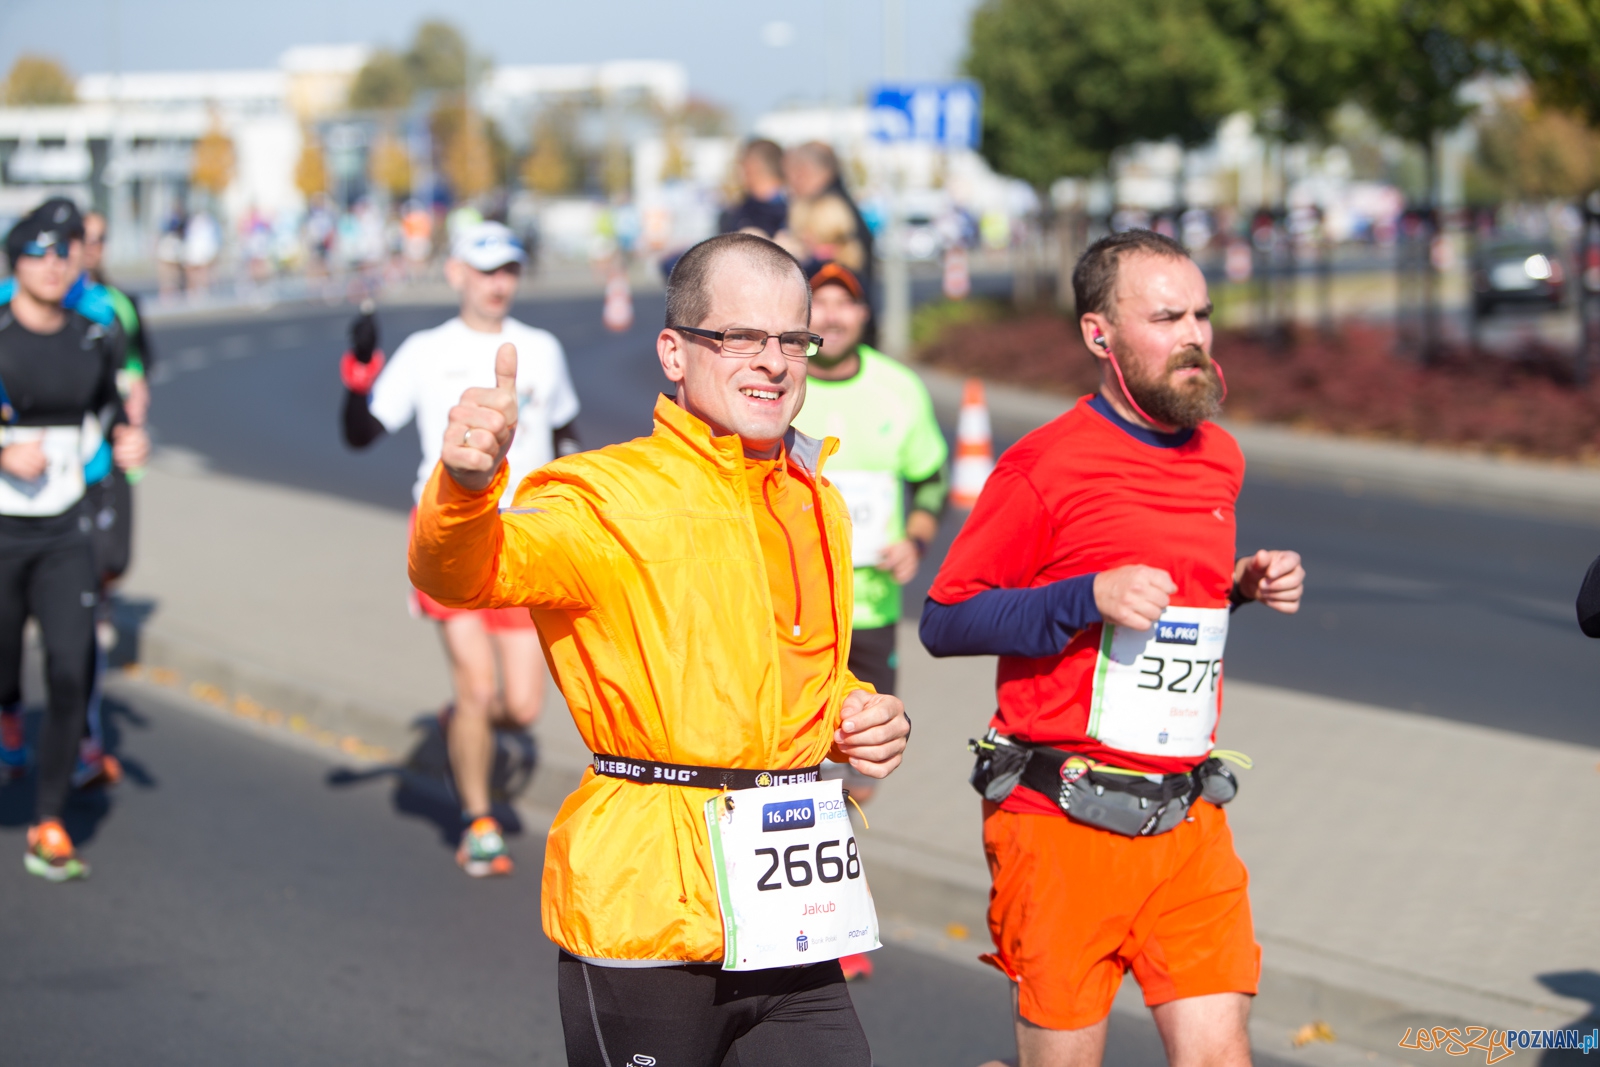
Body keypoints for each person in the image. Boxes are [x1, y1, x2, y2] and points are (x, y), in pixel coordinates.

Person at [410, 232, 911, 1066]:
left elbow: (792, 672)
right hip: (649, 908)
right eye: (741, 337)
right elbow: (464, 573)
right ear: (675, 352)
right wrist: (464, 488)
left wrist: (855, 712)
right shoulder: (603, 495)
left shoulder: (816, 501)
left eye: (792, 338)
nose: (774, 361)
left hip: (789, 909)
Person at [919, 229, 1306, 1067]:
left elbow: (1173, 617)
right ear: (1101, 335)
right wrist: (1082, 596)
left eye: (1202, 313)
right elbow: (947, 618)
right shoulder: (1043, 466)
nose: (1195, 334)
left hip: (1188, 817)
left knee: (1220, 1053)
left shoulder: (1220, 458)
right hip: (1061, 823)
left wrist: (1239, 586)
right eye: (1167, 317)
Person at [341, 221, 580, 878]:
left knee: (523, 706)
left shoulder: (543, 349)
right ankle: (478, 821)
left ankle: (458, 723)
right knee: (477, 685)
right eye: (484, 270)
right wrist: (359, 372)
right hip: (448, 527)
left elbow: (565, 436)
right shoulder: (425, 350)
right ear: (456, 275)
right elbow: (361, 433)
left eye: (508, 269)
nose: (498, 282)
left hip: (525, 533)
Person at [0, 198, 149, 880]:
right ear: (16, 261)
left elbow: (112, 417)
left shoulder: (95, 337)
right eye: (40, 253)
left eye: (66, 252)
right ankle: (7, 710)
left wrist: (129, 440)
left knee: (69, 666)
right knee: (6, 662)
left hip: (63, 530)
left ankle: (49, 821)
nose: (56, 264)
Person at [784, 142, 874, 296]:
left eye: (789, 175)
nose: (789, 185)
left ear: (803, 171)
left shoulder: (826, 208)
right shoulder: (844, 203)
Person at [719, 138, 789, 240]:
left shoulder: (796, 211)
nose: (739, 169)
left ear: (751, 166)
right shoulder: (735, 213)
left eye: (742, 163)